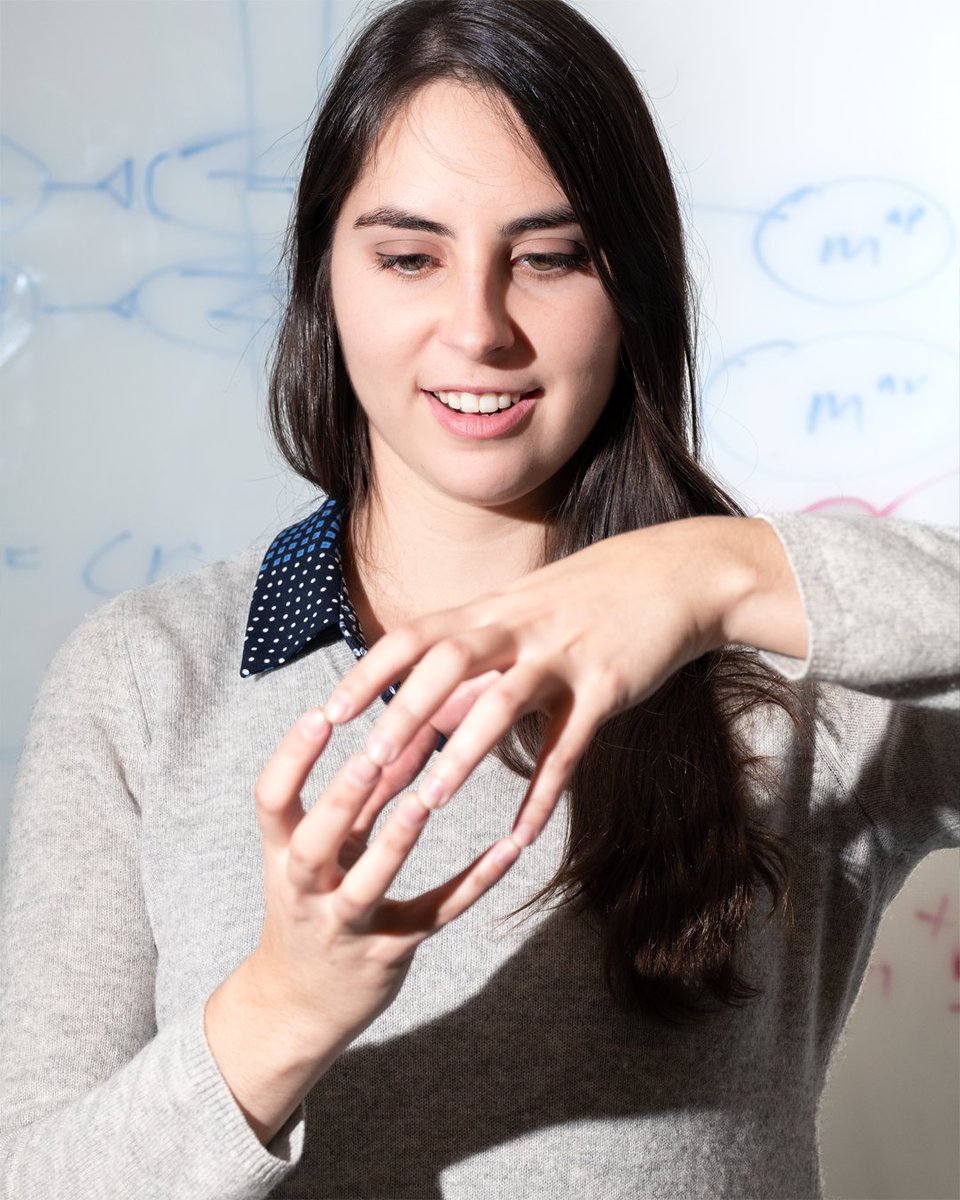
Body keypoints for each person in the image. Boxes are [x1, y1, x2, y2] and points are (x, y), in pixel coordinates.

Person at [1, 0, 957, 1196]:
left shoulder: (780, 667)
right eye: (409, 256)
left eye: (550, 259)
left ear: (636, 287)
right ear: (323, 279)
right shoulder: (150, 677)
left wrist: (716, 572)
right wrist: (280, 1010)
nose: (477, 328)